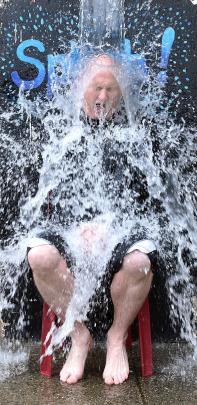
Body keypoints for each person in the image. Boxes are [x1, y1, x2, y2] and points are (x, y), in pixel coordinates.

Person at [27, 54, 157, 385]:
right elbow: (46, 190)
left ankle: (116, 337)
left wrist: (109, 225)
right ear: (80, 89)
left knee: (141, 260)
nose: (102, 97)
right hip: (71, 228)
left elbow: (145, 197)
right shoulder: (60, 128)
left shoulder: (137, 132)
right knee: (39, 255)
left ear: (121, 93)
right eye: (96, 88)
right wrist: (78, 224)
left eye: (110, 90)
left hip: (120, 229)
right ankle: (79, 336)